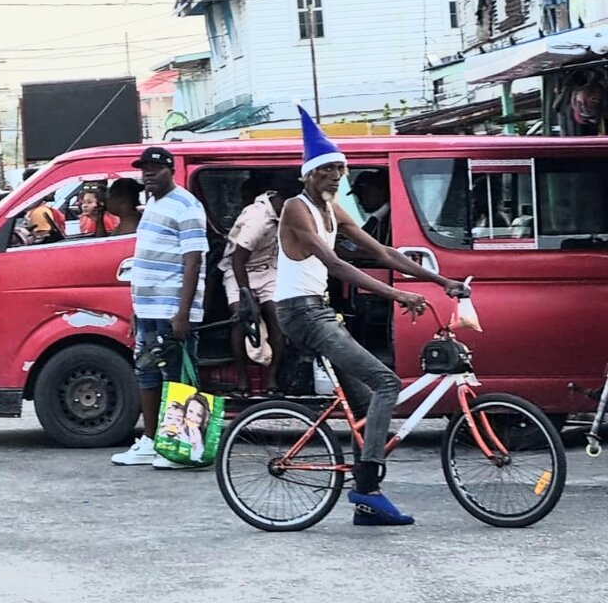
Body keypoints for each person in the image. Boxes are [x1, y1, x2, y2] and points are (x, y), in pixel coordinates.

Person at [275, 107, 468, 526]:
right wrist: (395, 292)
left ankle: (367, 505)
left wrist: (441, 280)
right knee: (386, 382)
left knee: (366, 403)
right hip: (299, 311)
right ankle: (366, 486)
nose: (336, 177)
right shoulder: (297, 208)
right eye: (327, 170)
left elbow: (385, 253)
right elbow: (337, 265)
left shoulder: (333, 210)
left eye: (340, 170)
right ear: (309, 174)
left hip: (319, 310)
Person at [111, 146, 208, 470]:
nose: (148, 174)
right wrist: (136, 309)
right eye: (145, 169)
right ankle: (152, 442)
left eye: (156, 168)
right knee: (147, 374)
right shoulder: (153, 204)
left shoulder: (187, 206)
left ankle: (182, 447)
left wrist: (182, 313)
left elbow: (193, 261)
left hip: (171, 310)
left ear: (172, 170)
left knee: (178, 377)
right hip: (149, 309)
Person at [222, 184, 293, 397]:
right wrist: (247, 295)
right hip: (239, 270)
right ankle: (242, 382)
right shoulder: (258, 219)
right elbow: (237, 260)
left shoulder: (284, 215)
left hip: (268, 269)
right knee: (241, 319)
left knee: (278, 317)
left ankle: (272, 381)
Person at [351, 170, 391, 245]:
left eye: (363, 194)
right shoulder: (381, 217)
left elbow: (360, 241)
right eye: (357, 195)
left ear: (382, 191)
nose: (360, 201)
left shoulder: (392, 218)